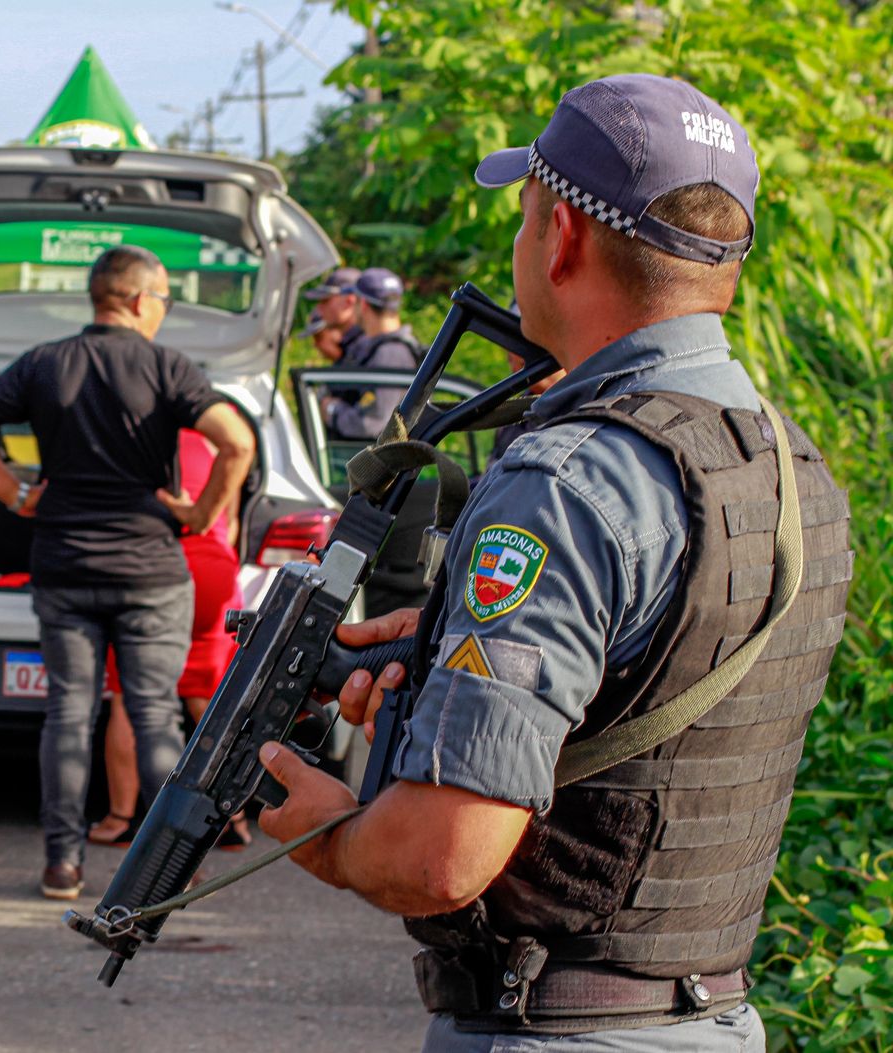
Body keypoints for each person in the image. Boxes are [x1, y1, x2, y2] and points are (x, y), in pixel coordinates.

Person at [256, 74, 850, 1051]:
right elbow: (668, 665)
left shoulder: (564, 481)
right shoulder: (787, 462)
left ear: (562, 236)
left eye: (525, 217)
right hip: (716, 1019)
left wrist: (321, 827)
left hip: (554, 1031)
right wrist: (456, 633)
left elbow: (438, 859)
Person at [0, 244, 256, 901]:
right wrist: (200, 513)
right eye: (165, 300)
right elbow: (238, 442)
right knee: (153, 715)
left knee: (67, 713)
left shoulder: (43, 363)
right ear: (141, 300)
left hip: (62, 564)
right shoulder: (167, 367)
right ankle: (171, 866)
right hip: (149, 568)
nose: (164, 312)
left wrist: (14, 494)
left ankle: (62, 864)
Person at [88, 427, 252, 851]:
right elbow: (229, 522)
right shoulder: (221, 441)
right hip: (213, 569)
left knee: (130, 693)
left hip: (152, 566)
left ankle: (121, 818)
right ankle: (231, 818)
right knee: (209, 696)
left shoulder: (126, 440)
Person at [306, 266, 421, 440]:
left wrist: (331, 409)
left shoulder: (391, 354)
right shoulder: (377, 349)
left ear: (364, 304)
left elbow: (370, 424)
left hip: (371, 465)